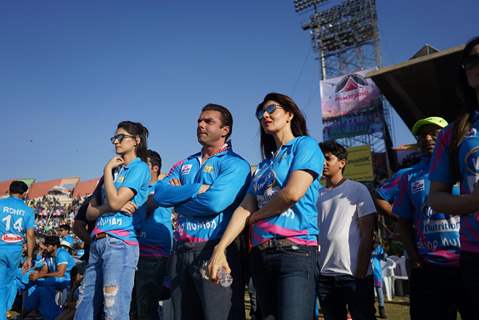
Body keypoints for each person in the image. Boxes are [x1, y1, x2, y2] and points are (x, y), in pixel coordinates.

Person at [208, 93, 324, 320]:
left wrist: (255, 218)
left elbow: (291, 194)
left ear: (289, 114)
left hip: (295, 251)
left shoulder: (305, 146)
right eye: (261, 113)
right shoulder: (263, 166)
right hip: (261, 256)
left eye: (271, 109)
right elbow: (244, 208)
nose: (265, 115)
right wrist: (220, 247)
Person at [151, 103, 250, 320]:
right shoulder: (184, 163)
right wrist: (196, 189)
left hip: (214, 250)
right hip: (180, 252)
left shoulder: (236, 164)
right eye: (199, 121)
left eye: (208, 121)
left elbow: (214, 202)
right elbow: (159, 195)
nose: (201, 125)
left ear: (225, 130)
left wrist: (177, 200)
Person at [74, 121, 151, 320]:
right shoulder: (112, 171)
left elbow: (115, 202)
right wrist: (109, 205)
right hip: (98, 242)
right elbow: (89, 213)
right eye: (114, 138)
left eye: (121, 137)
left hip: (120, 243)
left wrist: (107, 172)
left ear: (136, 141)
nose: (116, 141)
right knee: (84, 305)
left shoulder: (139, 168)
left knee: (113, 309)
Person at [393, 117, 465, 319]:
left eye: (434, 133)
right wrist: (414, 257)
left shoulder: (465, 166)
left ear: (449, 137)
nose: (427, 138)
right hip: (429, 267)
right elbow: (404, 221)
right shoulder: (409, 176)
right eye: (421, 135)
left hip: (469, 262)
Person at [429, 36, 479, 318]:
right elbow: (436, 197)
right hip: (475, 252)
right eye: (472, 60)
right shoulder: (454, 132)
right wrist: (474, 201)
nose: (478, 65)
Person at [316, 141, 377, 320]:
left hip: (354, 275)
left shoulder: (358, 189)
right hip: (325, 276)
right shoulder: (317, 194)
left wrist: (360, 272)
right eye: (321, 159)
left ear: (342, 163)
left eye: (328, 158)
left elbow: (368, 234)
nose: (323, 163)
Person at [127, 149, 173, 320]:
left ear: (154, 168)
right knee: (132, 306)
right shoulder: (134, 189)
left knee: (146, 306)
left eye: (143, 165)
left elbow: (148, 205)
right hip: (134, 252)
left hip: (153, 254)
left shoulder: (164, 186)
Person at [0, 181, 35, 320]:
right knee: (7, 284)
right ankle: (3, 313)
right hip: (14, 251)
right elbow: (30, 235)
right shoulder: (28, 210)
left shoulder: (1, 204)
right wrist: (30, 257)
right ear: (25, 193)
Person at [25, 236, 75, 320]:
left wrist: (41, 276)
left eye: (48, 245)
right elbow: (44, 270)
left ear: (55, 246)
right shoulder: (49, 254)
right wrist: (36, 275)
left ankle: (41, 310)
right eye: (46, 244)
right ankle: (34, 308)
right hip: (55, 278)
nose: (46, 247)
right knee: (32, 281)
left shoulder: (61, 253)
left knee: (45, 282)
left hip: (65, 279)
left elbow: (60, 273)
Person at [371, 237, 387, 319]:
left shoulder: (379, 247)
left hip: (377, 273)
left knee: (379, 290)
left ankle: (382, 310)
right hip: (367, 272)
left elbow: (384, 258)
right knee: (368, 291)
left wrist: (384, 251)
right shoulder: (364, 245)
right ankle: (370, 309)